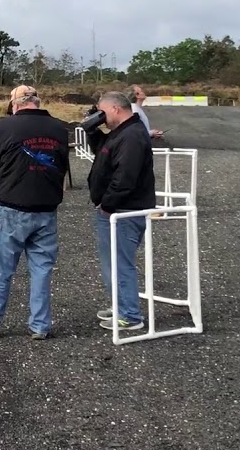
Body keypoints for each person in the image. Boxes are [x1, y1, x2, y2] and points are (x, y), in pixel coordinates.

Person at [0, 85, 72, 340]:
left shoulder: (6, 126)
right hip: (47, 209)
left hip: (12, 209)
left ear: (15, 104)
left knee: (0, 268)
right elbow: (62, 164)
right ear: (37, 101)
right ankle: (40, 326)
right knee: (41, 270)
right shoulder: (59, 128)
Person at [84, 91, 157, 331]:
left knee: (120, 264)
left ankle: (130, 316)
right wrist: (92, 129)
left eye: (102, 112)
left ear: (115, 109)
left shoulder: (133, 136)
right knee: (112, 263)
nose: (101, 116)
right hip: (117, 210)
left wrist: (107, 204)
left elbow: (125, 177)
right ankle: (121, 306)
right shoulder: (122, 133)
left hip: (124, 211)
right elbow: (103, 154)